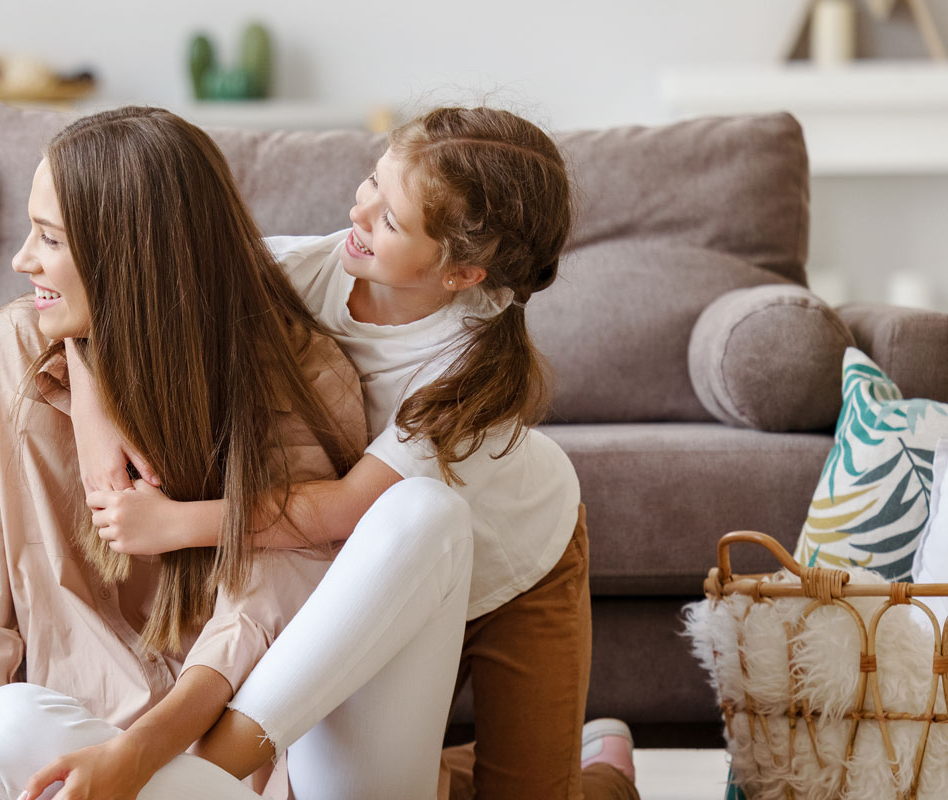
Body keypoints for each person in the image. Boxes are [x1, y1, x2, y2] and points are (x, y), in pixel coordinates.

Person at [76, 107, 637, 798]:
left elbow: (345, 507)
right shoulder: (298, 271)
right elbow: (100, 310)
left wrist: (176, 522)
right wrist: (97, 420)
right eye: (372, 180)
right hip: (394, 572)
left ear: (461, 273)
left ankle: (604, 769)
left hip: (517, 565)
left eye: (392, 220)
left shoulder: (468, 372)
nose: (359, 209)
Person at [0, 106, 408, 800]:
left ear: (128, 257)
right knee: (5, 723)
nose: (22, 260)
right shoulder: (25, 349)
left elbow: (264, 613)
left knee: (15, 731)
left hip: (212, 755)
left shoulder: (306, 376)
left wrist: (137, 759)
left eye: (49, 238)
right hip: (66, 741)